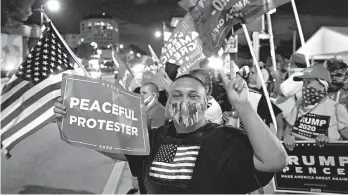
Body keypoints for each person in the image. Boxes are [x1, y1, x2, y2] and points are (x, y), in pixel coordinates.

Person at [54, 73, 288, 194]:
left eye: (193, 95)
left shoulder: (227, 138)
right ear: (167, 104)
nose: (184, 100)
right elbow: (117, 152)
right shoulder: (155, 138)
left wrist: (242, 105)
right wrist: (73, 121)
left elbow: (276, 160)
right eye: (177, 95)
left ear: (206, 103)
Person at [283, 64, 348, 151]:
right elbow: (287, 132)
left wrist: (329, 142)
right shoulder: (299, 103)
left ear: (322, 85)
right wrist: (288, 138)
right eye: (304, 83)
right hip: (300, 160)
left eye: (308, 82)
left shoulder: (337, 108)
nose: (304, 86)